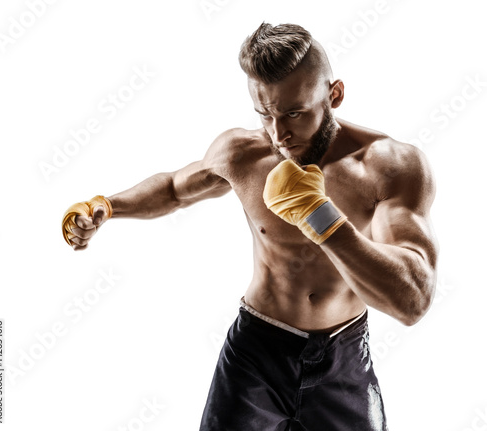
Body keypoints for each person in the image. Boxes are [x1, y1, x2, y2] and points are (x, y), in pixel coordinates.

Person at [61, 23, 438, 431]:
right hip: (257, 350)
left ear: (334, 95)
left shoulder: (387, 165)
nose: (279, 135)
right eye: (265, 115)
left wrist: (321, 217)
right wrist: (104, 206)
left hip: (342, 355)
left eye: (294, 113)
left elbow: (412, 300)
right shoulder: (244, 153)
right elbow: (173, 189)